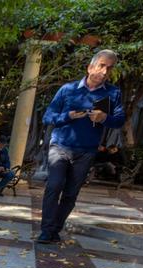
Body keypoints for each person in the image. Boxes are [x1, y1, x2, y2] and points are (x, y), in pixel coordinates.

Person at [37, 49, 125, 243]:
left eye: (109, 68)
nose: (105, 71)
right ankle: (46, 230)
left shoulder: (113, 93)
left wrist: (104, 118)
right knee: (54, 186)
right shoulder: (67, 90)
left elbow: (119, 120)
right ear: (90, 67)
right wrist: (67, 116)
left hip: (86, 151)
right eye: (102, 65)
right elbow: (47, 117)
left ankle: (55, 230)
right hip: (60, 146)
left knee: (71, 194)